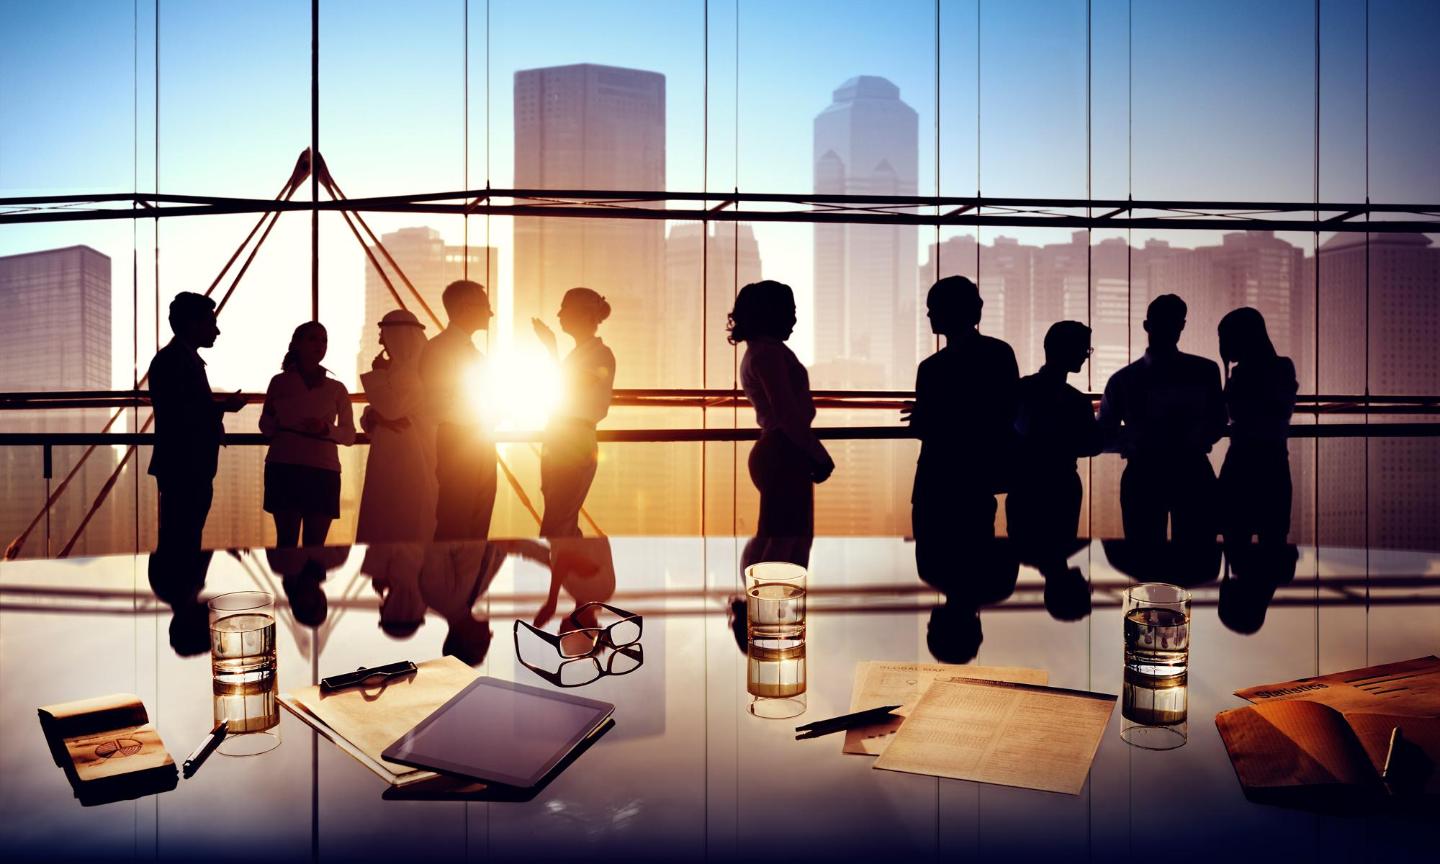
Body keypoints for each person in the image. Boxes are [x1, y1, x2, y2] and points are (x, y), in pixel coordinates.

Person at [1098, 294, 1225, 548]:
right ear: (1182, 326)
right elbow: (1218, 422)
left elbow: (1104, 434)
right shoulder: (1206, 371)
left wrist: (1136, 440)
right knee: (1195, 555)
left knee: (1145, 555)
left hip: (1144, 473)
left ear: (1147, 326)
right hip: (1192, 471)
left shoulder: (1123, 379)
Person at [905, 276, 1019, 545]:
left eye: (933, 307)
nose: (929, 313)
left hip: (936, 480)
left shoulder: (931, 367)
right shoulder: (999, 354)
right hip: (977, 479)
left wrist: (927, 417)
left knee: (938, 560)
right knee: (972, 560)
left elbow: (927, 427)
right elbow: (1004, 413)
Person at [729, 280, 834, 542]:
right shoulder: (768, 355)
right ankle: (766, 584)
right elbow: (787, 414)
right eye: (791, 310)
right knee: (784, 540)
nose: (795, 318)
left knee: (778, 537)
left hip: (780, 451)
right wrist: (819, 455)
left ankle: (762, 583)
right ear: (771, 313)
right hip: (783, 453)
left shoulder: (760, 352)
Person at [146, 291, 247, 554]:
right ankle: (182, 587)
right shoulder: (176, 361)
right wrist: (223, 408)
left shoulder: (174, 359)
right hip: (186, 464)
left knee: (182, 533)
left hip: (183, 464)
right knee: (183, 535)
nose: (217, 331)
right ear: (193, 324)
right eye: (211, 323)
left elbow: (181, 408)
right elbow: (183, 413)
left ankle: (182, 588)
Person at [1007, 320, 1103, 555]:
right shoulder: (1077, 401)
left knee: (1024, 550)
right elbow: (1090, 445)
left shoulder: (1019, 390)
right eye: (1083, 349)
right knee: (1058, 554)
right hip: (1062, 485)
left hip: (1024, 483)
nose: (1086, 356)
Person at [259, 321, 355, 548]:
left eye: (324, 340)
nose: (320, 345)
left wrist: (326, 429)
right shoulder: (279, 382)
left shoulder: (337, 388)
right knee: (288, 544)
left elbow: (349, 435)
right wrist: (273, 414)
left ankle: (302, 583)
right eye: (313, 339)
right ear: (296, 345)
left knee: (313, 547)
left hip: (321, 469)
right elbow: (266, 426)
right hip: (286, 467)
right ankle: (296, 583)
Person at [532, 288, 616, 537]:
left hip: (573, 440)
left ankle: (559, 571)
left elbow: (565, 387)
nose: (559, 315)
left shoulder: (600, 354)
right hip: (562, 437)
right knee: (559, 516)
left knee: (558, 519)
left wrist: (551, 349)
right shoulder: (581, 355)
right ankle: (565, 572)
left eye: (565, 309)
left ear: (584, 315)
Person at [421, 280, 496, 540]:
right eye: (485, 306)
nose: (491, 312)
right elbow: (437, 404)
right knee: (457, 518)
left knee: (479, 518)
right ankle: (449, 579)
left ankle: (468, 577)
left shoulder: (470, 351)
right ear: (466, 308)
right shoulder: (439, 349)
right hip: (458, 441)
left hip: (480, 440)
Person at [1217, 307, 1297, 549]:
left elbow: (1228, 415)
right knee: (1272, 542)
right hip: (1273, 465)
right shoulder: (1282, 368)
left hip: (1241, 465)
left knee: (1236, 542)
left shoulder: (1241, 376)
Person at [356, 309, 437, 544]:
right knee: (385, 514)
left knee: (406, 519)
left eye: (384, 335)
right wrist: (376, 416)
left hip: (413, 459)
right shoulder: (397, 371)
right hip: (388, 456)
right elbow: (374, 414)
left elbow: (391, 408)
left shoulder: (419, 373)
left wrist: (379, 376)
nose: (381, 341)